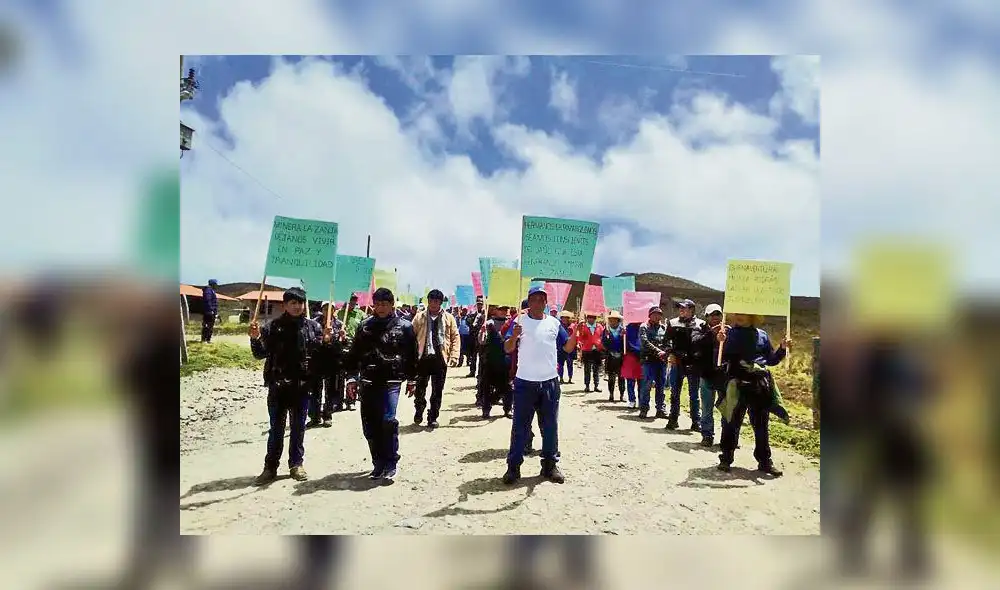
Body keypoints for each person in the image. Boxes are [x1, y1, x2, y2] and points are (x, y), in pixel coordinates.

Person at [249, 287, 334, 484]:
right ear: (285, 305)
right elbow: (260, 354)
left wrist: (329, 343)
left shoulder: (314, 327)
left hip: (302, 386)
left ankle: (296, 464)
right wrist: (254, 338)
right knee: (276, 429)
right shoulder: (272, 327)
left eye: (300, 303)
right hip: (278, 386)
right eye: (293, 303)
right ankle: (270, 468)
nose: (297, 306)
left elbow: (323, 358)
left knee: (298, 428)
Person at [502, 286, 577, 485]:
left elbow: (567, 347)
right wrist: (515, 336)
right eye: (534, 299)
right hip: (524, 383)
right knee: (520, 427)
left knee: (550, 426)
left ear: (546, 302)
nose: (537, 303)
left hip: (549, 383)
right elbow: (508, 348)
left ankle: (550, 465)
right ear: (529, 302)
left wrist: (576, 333)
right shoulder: (519, 321)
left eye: (541, 299)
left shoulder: (554, 323)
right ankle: (513, 467)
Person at [343, 288, 419, 481]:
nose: (381, 308)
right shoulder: (364, 326)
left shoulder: (405, 326)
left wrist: (412, 379)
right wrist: (351, 378)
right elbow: (354, 355)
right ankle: (378, 464)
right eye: (377, 304)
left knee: (387, 421)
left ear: (392, 304)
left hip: (392, 380)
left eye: (385, 304)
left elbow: (411, 355)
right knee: (370, 425)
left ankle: (391, 461)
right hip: (368, 380)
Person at [716, 313, 791, 476]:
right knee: (731, 422)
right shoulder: (727, 334)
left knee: (761, 425)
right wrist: (720, 343)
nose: (739, 316)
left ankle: (764, 462)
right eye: (737, 314)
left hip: (759, 386)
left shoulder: (762, 335)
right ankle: (726, 458)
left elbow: (771, 360)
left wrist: (782, 349)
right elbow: (720, 359)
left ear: (752, 317)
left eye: (743, 314)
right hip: (737, 385)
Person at [410, 289, 461, 429]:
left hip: (440, 358)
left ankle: (433, 417)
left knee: (437, 390)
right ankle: (419, 409)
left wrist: (455, 355)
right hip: (423, 358)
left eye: (437, 301)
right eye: (431, 301)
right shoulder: (419, 317)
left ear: (440, 303)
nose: (433, 304)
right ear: (428, 301)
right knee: (420, 389)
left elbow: (455, 337)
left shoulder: (448, 318)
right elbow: (411, 337)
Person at [665, 299, 706, 431]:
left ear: (692, 309)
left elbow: (705, 344)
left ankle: (696, 422)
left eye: (684, 307)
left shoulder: (701, 324)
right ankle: (673, 419)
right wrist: (670, 353)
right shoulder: (672, 322)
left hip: (694, 364)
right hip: (677, 362)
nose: (681, 310)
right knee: (674, 393)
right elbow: (666, 341)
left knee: (694, 395)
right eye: (680, 308)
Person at [692, 303, 728, 446]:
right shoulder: (699, 329)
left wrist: (726, 338)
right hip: (706, 374)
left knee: (726, 407)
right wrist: (711, 334)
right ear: (706, 317)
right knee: (707, 407)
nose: (715, 317)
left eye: (718, 314)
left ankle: (727, 437)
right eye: (712, 315)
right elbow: (695, 343)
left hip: (724, 375)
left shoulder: (728, 330)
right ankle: (707, 435)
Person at [307, 305, 347, 426]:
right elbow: (310, 340)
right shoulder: (313, 323)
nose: (328, 311)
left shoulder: (340, 324)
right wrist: (322, 338)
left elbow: (343, 345)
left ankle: (327, 415)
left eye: (331, 308)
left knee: (330, 390)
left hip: (332, 361)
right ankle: (314, 416)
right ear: (322, 309)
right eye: (325, 308)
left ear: (334, 310)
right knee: (314, 390)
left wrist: (343, 337)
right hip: (316, 360)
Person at [479, 304, 513, 418]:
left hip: (506, 359)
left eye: (505, 309)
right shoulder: (489, 323)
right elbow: (481, 341)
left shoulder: (512, 323)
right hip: (491, 359)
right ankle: (486, 409)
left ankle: (508, 409)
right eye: (501, 309)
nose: (503, 311)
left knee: (507, 387)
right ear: (495, 310)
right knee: (487, 386)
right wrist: (482, 333)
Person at [638, 306, 670, 419]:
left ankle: (660, 409)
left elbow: (668, 342)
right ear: (650, 315)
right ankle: (644, 409)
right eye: (655, 314)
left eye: (659, 314)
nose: (657, 316)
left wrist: (666, 352)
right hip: (648, 361)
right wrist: (659, 351)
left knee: (661, 386)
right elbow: (644, 342)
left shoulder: (664, 328)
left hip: (661, 362)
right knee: (647, 385)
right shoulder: (644, 327)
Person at [601, 310, 626, 402]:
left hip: (621, 357)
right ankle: (611, 394)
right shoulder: (606, 330)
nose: (612, 322)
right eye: (611, 320)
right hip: (610, 356)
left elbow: (626, 344)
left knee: (621, 377)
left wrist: (623, 336)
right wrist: (606, 337)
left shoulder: (623, 330)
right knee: (611, 377)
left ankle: (622, 395)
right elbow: (604, 344)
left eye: (614, 320)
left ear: (618, 321)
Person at [576, 312, 604, 393]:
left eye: (592, 317)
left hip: (597, 350)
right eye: (589, 317)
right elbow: (579, 336)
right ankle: (587, 386)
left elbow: (603, 336)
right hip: (587, 350)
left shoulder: (599, 326)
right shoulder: (583, 326)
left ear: (595, 318)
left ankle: (596, 385)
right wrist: (578, 342)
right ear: (587, 318)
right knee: (587, 369)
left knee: (596, 369)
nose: (591, 319)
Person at [622, 320, 643, 408]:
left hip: (643, 357)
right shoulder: (627, 328)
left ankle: (641, 401)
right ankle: (631, 400)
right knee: (630, 380)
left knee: (641, 381)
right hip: (631, 357)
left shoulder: (645, 326)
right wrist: (622, 335)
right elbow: (625, 343)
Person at [466, 296, 486, 378]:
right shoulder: (473, 314)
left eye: (481, 304)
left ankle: (480, 374)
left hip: (482, 338)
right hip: (473, 338)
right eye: (478, 304)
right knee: (473, 356)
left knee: (482, 358)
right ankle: (472, 371)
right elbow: (468, 322)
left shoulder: (485, 314)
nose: (479, 306)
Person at [556, 311, 577, 384]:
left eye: (566, 318)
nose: (564, 319)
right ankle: (561, 378)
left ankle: (570, 378)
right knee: (560, 364)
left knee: (570, 363)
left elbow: (575, 336)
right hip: (560, 347)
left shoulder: (573, 326)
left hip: (570, 347)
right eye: (563, 318)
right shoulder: (558, 326)